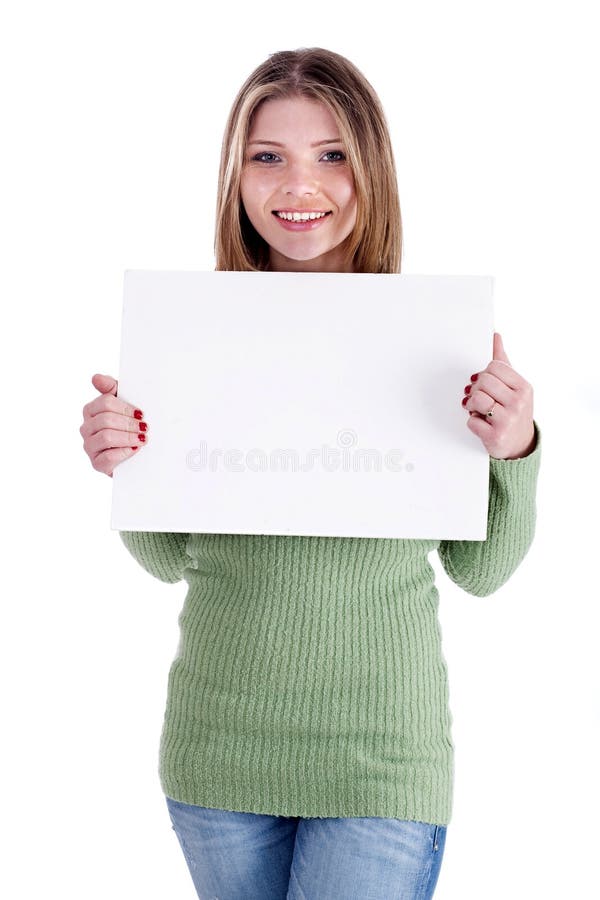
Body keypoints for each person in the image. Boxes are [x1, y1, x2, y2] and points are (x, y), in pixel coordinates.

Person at [79, 47, 541, 900]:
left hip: (380, 764)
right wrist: (126, 461)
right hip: (220, 755)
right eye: (269, 158)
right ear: (238, 176)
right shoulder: (191, 338)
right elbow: (166, 557)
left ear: (371, 168)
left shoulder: (433, 341)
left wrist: (514, 450)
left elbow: (483, 572)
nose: (300, 187)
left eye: (331, 156)